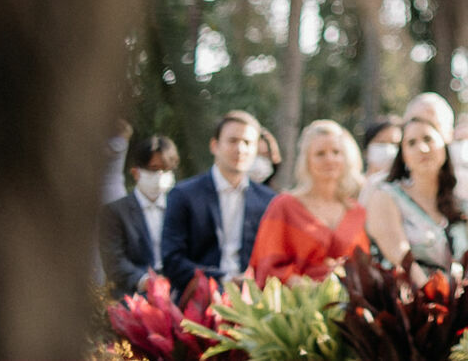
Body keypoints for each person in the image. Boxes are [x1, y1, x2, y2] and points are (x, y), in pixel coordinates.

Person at [160, 111, 275, 285]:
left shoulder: (269, 200)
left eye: (247, 143)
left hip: (253, 294)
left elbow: (275, 258)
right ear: (214, 146)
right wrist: (222, 279)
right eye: (233, 141)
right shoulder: (184, 195)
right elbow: (171, 259)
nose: (240, 149)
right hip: (200, 293)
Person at [248, 119, 370, 280]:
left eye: (336, 152)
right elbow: (266, 266)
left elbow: (364, 266)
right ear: (307, 160)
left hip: (349, 294)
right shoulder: (284, 205)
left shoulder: (356, 211)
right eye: (320, 154)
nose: (330, 159)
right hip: (296, 294)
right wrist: (308, 287)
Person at [364, 114, 467, 281]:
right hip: (410, 292)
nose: (422, 149)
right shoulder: (385, 196)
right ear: (403, 155)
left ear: (444, 145)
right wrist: (432, 292)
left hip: (463, 293)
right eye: (412, 143)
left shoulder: (462, 200)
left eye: (428, 139)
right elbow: (400, 256)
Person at [100, 135, 178, 296]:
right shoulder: (115, 212)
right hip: (135, 293)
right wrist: (144, 281)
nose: (160, 175)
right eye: (154, 169)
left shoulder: (179, 206)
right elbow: (113, 261)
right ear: (136, 173)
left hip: (177, 290)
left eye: (165, 170)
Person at [360, 117, 403, 182]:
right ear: (366, 150)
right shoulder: (355, 185)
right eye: (382, 142)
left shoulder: (405, 186)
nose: (388, 148)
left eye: (394, 144)